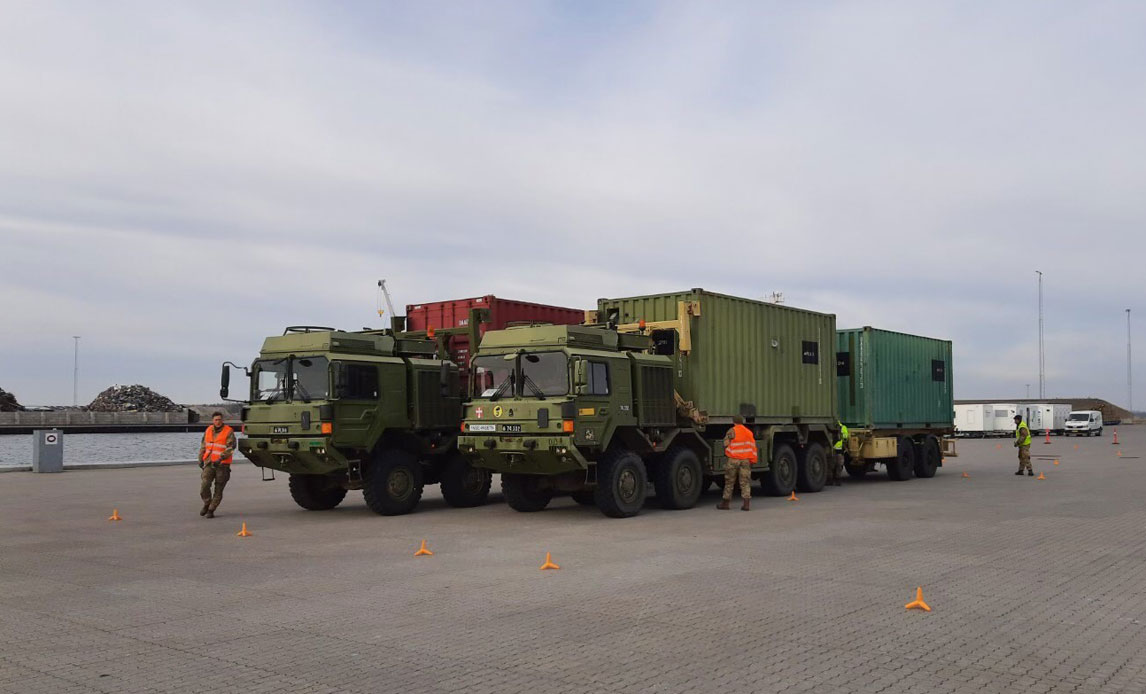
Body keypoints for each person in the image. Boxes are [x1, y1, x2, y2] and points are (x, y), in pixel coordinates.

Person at [198, 411, 236, 517]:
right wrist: (200, 459)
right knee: (204, 485)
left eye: (219, 419)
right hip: (209, 463)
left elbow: (231, 448)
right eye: (216, 420)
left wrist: (221, 458)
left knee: (219, 489)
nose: (218, 422)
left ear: (222, 420)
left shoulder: (228, 431)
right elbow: (203, 446)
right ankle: (207, 502)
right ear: (212, 420)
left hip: (222, 465)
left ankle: (211, 509)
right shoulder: (208, 430)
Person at [717, 415, 757, 511]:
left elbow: (725, 443)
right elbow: (753, 447)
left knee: (729, 482)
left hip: (733, 460)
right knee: (745, 482)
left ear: (734, 422)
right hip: (745, 460)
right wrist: (752, 460)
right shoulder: (749, 432)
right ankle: (746, 504)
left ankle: (725, 504)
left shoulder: (732, 431)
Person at [829, 421, 849, 486]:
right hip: (839, 450)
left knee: (831, 465)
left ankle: (830, 480)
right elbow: (845, 438)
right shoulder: (843, 428)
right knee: (839, 465)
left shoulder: (830, 426)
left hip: (832, 450)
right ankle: (837, 480)